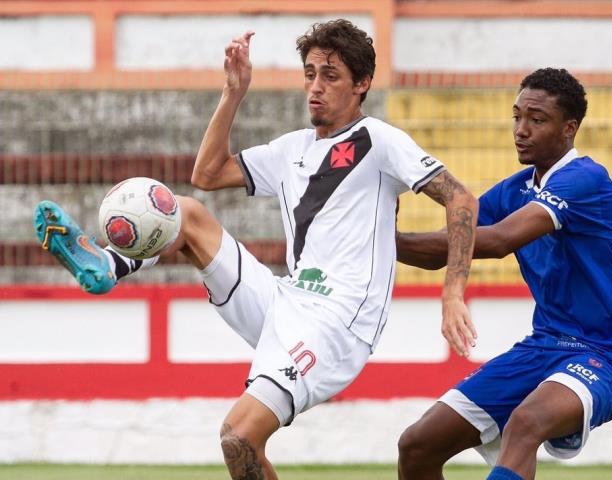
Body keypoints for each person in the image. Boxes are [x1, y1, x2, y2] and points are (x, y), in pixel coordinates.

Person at [33, 19, 478, 480]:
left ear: (362, 83)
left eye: (330, 76)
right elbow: (207, 175)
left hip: (337, 323)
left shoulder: (379, 142)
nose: (315, 88)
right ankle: (108, 263)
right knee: (186, 212)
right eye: (310, 74)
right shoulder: (292, 149)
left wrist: (452, 293)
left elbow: (460, 198)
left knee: (239, 436)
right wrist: (234, 91)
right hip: (283, 301)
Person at [395, 68, 612, 480]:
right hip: (543, 347)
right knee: (417, 445)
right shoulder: (516, 188)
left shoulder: (586, 180)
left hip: (609, 353)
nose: (521, 129)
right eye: (517, 117)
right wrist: (382, 239)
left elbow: (499, 240)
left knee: (526, 423)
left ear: (569, 128)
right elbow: (450, 243)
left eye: (537, 120)